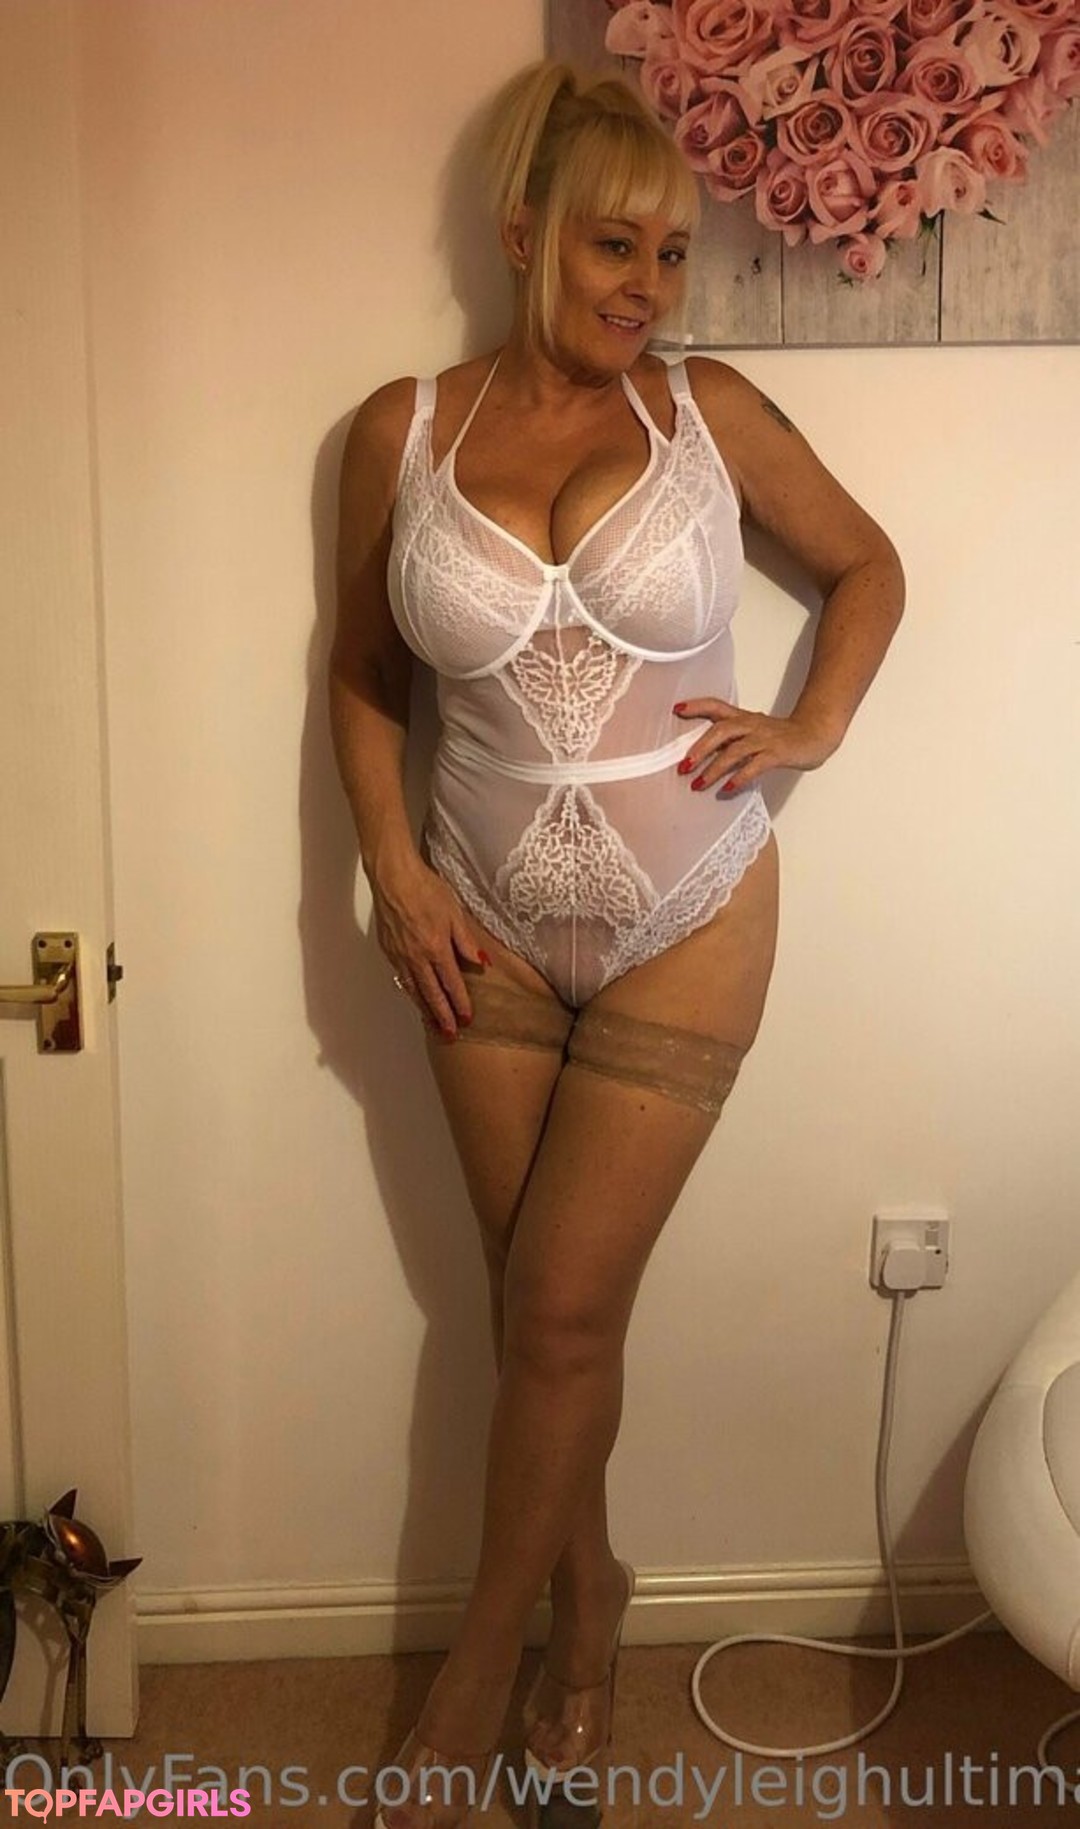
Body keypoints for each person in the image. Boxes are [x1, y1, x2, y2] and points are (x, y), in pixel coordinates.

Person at [329, 56, 904, 1829]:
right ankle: (590, 1611)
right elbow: (362, 669)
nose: (648, 285)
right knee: (537, 1317)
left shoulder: (706, 413)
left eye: (671, 253)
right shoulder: (400, 431)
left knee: (564, 1308)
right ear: (524, 237)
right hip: (476, 921)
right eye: (613, 245)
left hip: (689, 912)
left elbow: (869, 566)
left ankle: (474, 1689)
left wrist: (809, 726)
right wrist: (390, 869)